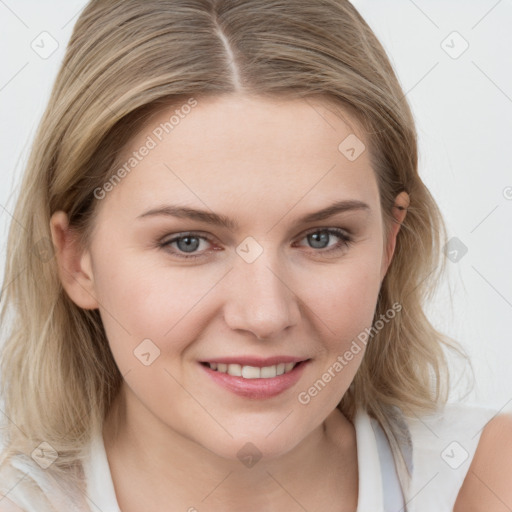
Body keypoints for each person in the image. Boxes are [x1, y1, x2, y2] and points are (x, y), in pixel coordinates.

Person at [0, 1, 510, 511]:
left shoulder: (489, 479)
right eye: (188, 243)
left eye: (322, 237)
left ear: (389, 244)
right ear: (75, 259)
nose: (265, 314)